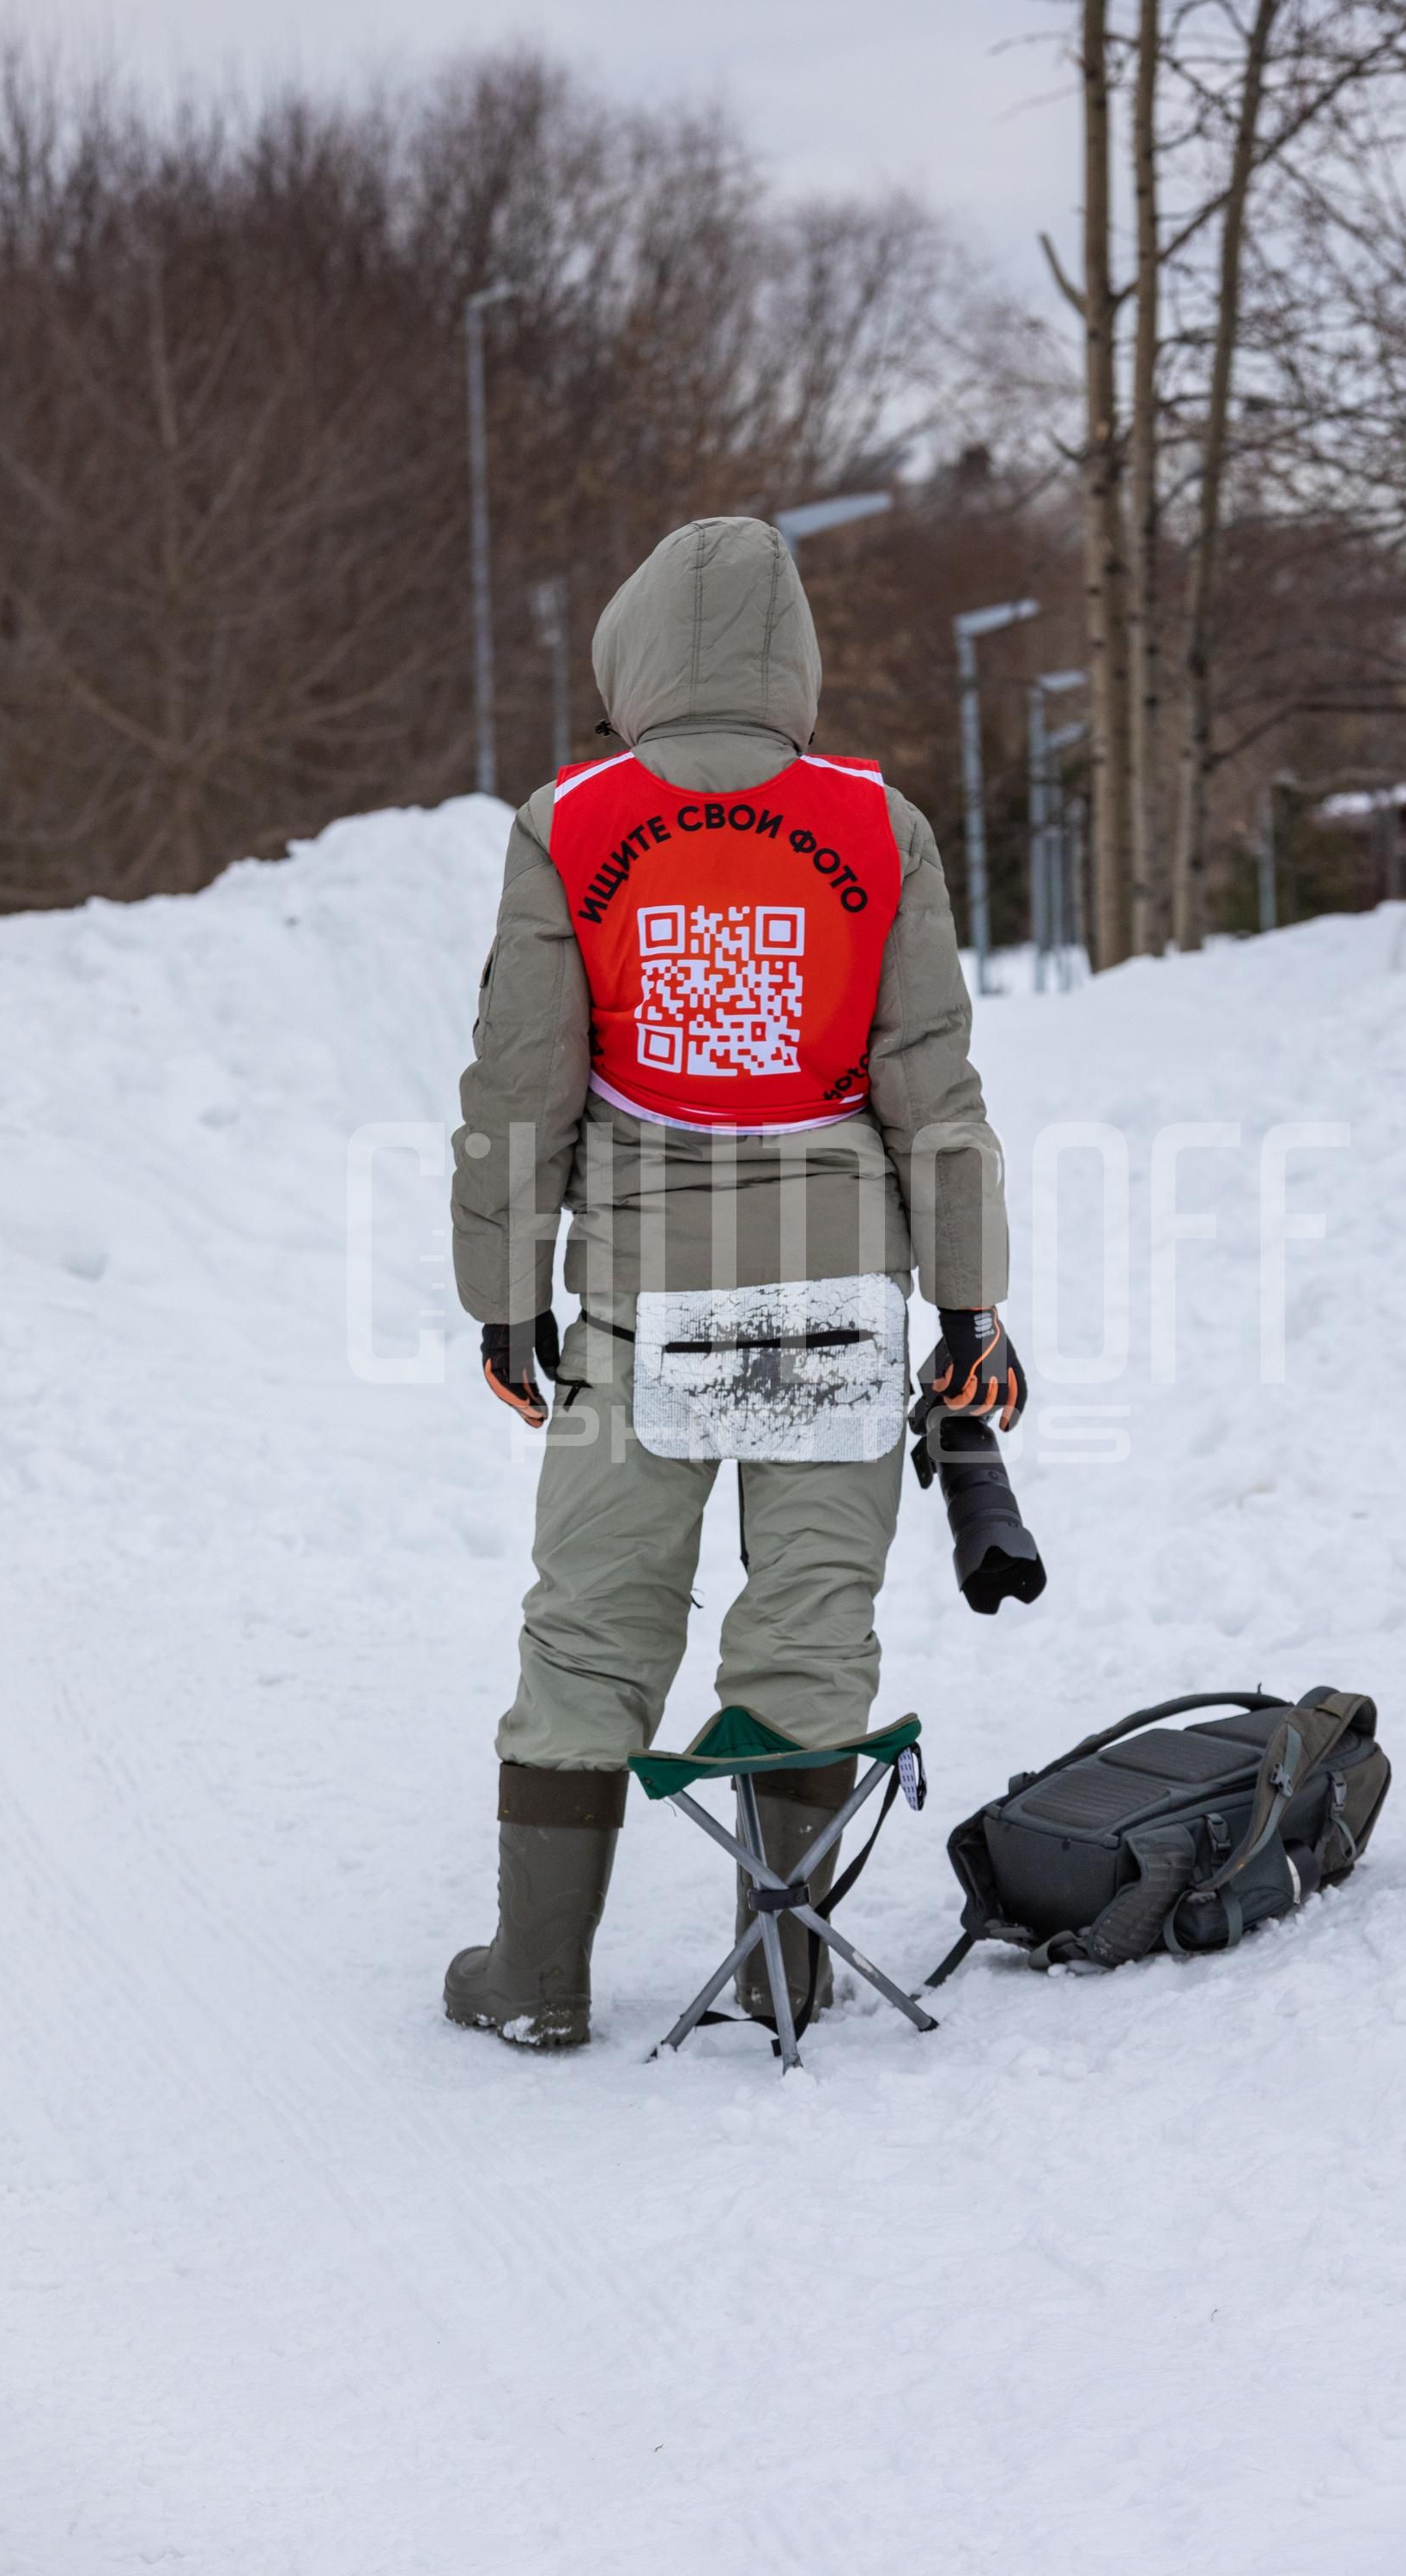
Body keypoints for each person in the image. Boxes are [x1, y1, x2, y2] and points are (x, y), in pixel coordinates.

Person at [444, 515, 1020, 2048]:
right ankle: (786, 1966)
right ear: (798, 667)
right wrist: (968, 1308)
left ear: (630, 657)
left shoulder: (567, 822)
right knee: (811, 1624)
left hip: (640, 1298)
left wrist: (503, 1296)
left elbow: (524, 1084)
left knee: (593, 1625)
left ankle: (540, 1982)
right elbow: (931, 1090)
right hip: (835, 1289)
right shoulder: (875, 820)